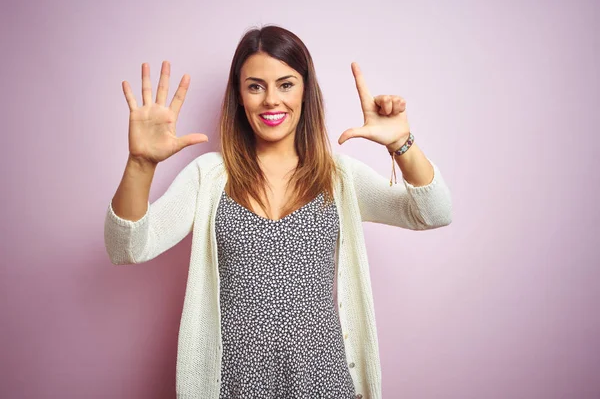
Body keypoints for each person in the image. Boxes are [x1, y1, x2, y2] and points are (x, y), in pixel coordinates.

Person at [104, 25, 452, 399]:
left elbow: (433, 212)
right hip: (234, 387)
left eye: (286, 84)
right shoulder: (208, 176)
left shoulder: (339, 177)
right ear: (239, 97)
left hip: (325, 383)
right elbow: (127, 248)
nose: (271, 100)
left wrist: (402, 143)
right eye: (255, 86)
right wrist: (140, 164)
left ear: (306, 91)